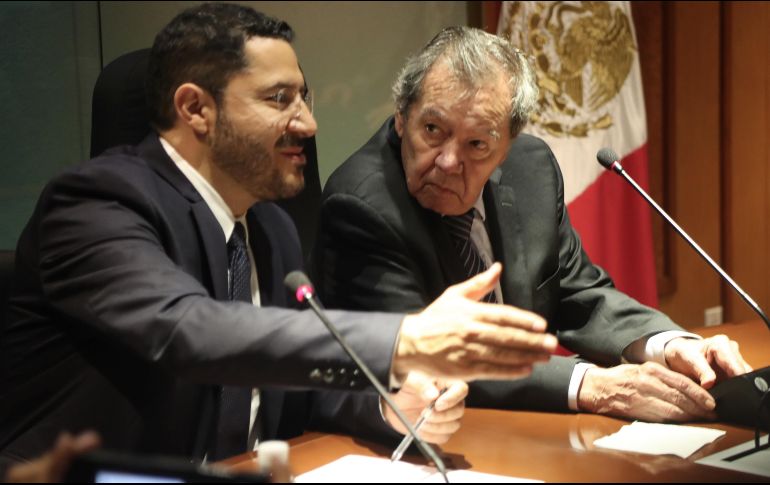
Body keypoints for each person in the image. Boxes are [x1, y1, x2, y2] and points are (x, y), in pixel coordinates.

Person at [0, 5, 558, 471]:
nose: (309, 125)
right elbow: (189, 330)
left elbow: (299, 386)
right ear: (196, 108)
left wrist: (390, 405)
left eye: (305, 98)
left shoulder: (269, 226)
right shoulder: (94, 203)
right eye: (278, 99)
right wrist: (403, 339)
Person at [313, 26, 752, 423]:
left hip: (521, 432)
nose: (448, 161)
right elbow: (431, 358)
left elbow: (578, 291)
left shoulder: (531, 168)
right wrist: (591, 384)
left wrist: (668, 344)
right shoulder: (362, 205)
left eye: (477, 144)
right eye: (432, 129)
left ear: (507, 146)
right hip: (428, 437)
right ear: (400, 116)